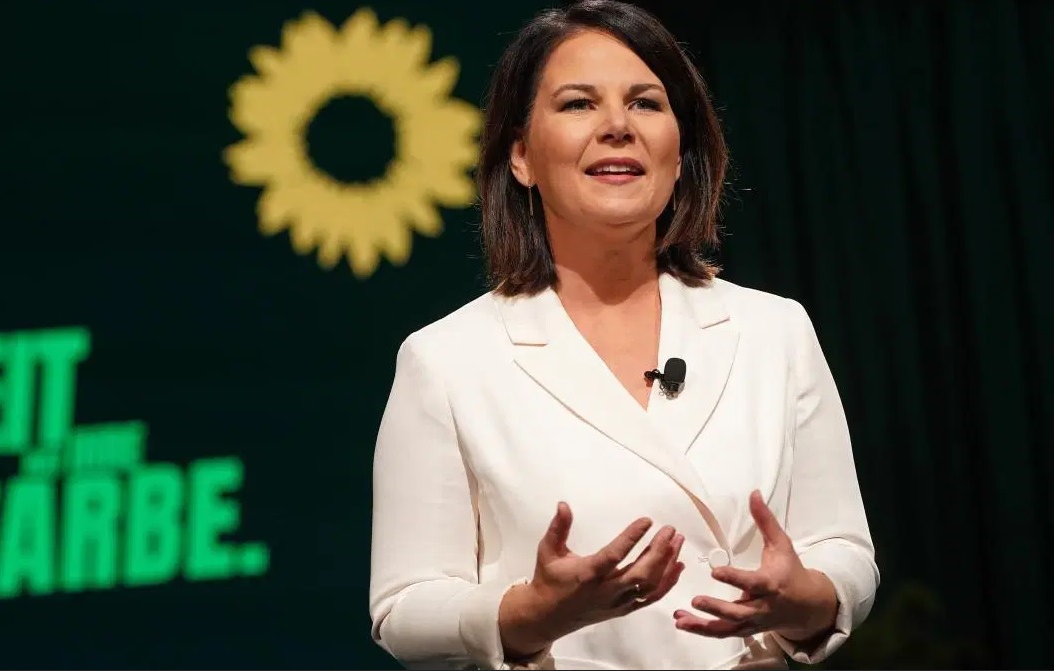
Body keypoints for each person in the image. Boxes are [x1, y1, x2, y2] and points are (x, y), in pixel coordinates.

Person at [368, 1, 879, 668]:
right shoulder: (446, 359)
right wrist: (529, 613)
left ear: (680, 152)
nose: (617, 126)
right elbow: (404, 607)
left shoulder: (774, 330)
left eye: (645, 103)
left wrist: (806, 599)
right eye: (578, 104)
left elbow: (843, 550)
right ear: (520, 156)